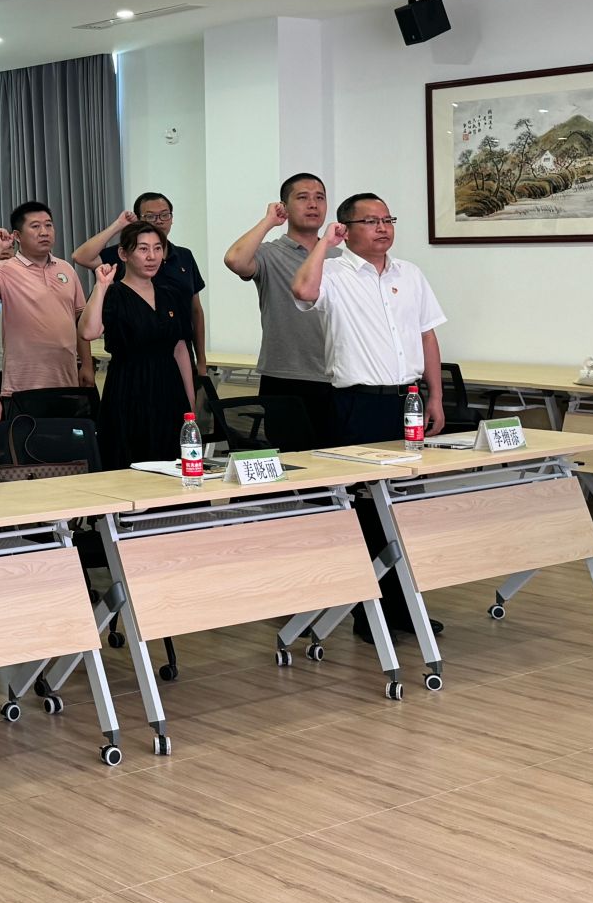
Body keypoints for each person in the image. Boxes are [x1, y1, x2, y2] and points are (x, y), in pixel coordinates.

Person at [292, 193, 447, 638]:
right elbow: (303, 292)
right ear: (347, 229)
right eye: (371, 221)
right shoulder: (333, 273)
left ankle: (404, 608)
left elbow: (427, 337)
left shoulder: (409, 274)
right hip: (357, 405)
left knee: (405, 505)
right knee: (365, 510)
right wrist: (325, 243)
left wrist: (435, 397)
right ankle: (368, 614)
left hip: (406, 402)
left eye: (387, 219)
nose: (383, 227)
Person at [222, 173, 336, 444]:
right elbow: (235, 260)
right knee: (291, 460)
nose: (313, 204)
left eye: (319, 198)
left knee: (338, 460)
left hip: (336, 377)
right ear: (284, 206)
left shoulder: (338, 257)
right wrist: (269, 221)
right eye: (303, 197)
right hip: (285, 377)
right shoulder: (269, 253)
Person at [81, 223, 196, 469]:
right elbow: (88, 332)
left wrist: (190, 402)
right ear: (123, 254)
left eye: (157, 248)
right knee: (129, 461)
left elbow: (180, 348)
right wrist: (100, 286)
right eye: (143, 249)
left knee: (172, 461)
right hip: (128, 388)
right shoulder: (113, 293)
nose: (152, 256)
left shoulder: (171, 294)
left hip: (169, 389)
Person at [73, 193, 207, 373]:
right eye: (150, 216)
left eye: (164, 214)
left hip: (180, 350)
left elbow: (196, 310)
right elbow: (80, 256)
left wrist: (201, 360)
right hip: (134, 357)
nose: (159, 221)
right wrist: (118, 225)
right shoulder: (127, 254)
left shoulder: (185, 256)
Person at [0, 202, 91, 416]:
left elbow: (80, 320)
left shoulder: (66, 269)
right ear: (17, 235)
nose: (44, 232)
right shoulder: (6, 269)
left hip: (66, 381)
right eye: (35, 226)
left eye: (48, 225)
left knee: (66, 437)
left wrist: (87, 364)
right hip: (23, 385)